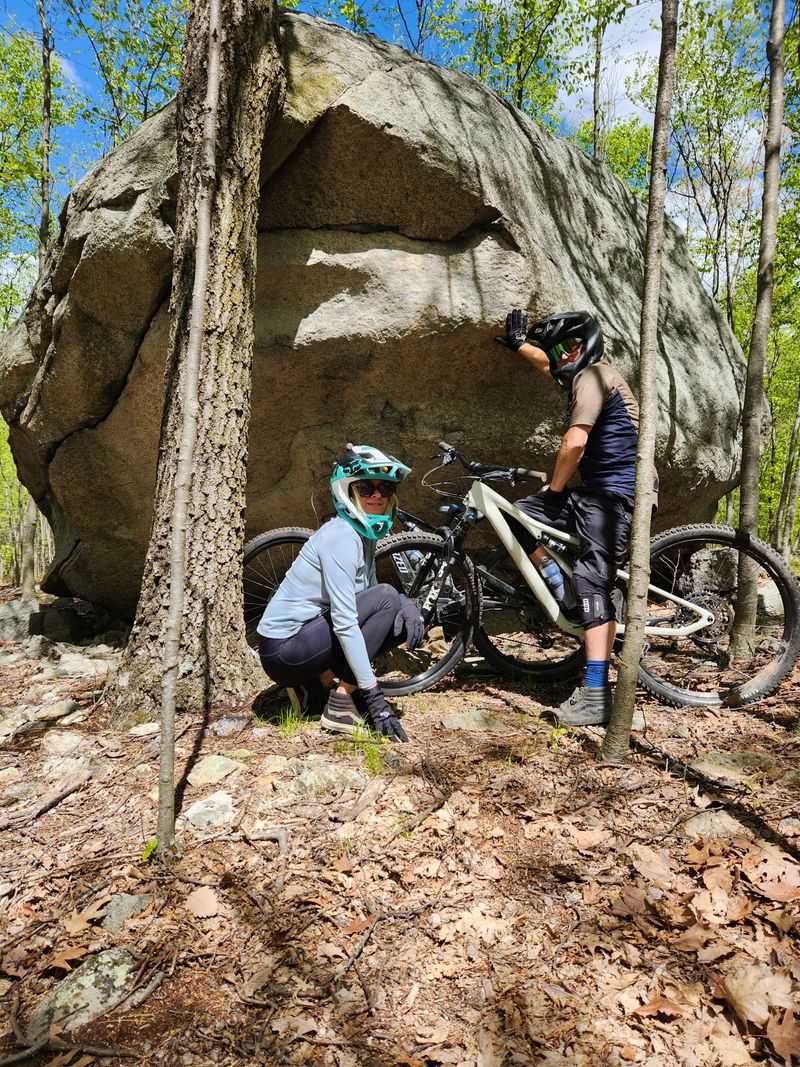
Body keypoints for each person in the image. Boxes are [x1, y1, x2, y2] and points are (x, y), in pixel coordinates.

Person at [496, 309, 653, 726]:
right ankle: (563, 590)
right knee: (514, 517)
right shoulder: (580, 371)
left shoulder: (596, 375)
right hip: (594, 493)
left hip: (615, 495)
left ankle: (597, 692)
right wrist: (519, 346)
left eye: (571, 346)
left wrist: (556, 488)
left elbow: (575, 442)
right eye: (558, 350)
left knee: (591, 578)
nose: (564, 356)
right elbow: (552, 364)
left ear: (588, 344)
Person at [256, 444, 423, 742]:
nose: (377, 496)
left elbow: (369, 604)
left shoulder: (362, 536)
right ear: (347, 493)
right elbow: (347, 620)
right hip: (284, 652)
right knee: (388, 597)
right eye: (365, 488)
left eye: (384, 489)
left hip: (301, 640)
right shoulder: (341, 536)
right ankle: (341, 702)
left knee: (397, 615)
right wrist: (374, 698)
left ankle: (317, 685)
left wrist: (405, 603)